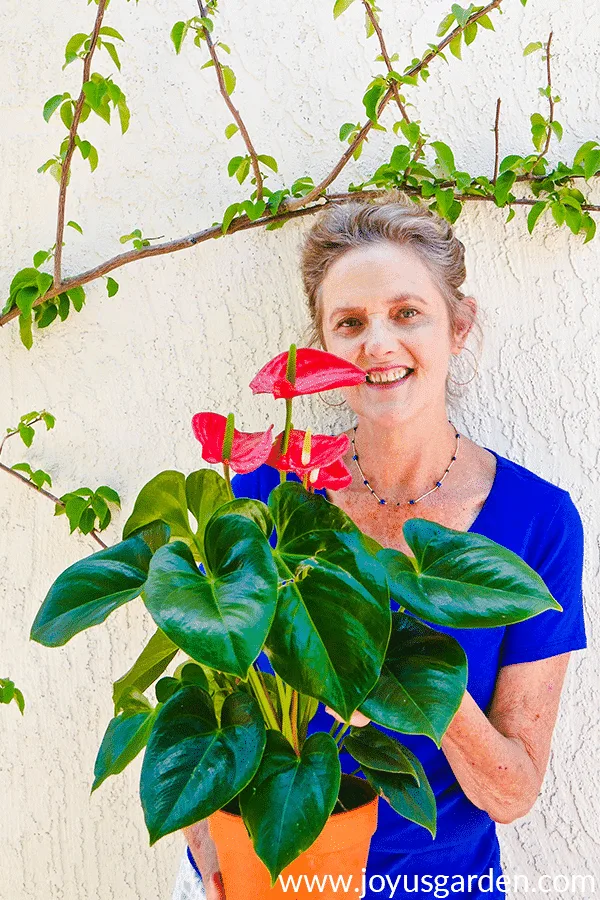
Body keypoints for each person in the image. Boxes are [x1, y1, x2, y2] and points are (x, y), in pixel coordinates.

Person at [173, 191, 587, 899]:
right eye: (351, 323)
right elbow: (214, 697)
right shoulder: (265, 489)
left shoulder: (535, 521)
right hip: (270, 876)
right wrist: (215, 850)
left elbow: (513, 794)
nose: (377, 344)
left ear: (458, 327)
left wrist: (403, 672)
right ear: (321, 349)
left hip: (437, 883)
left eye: (406, 314)